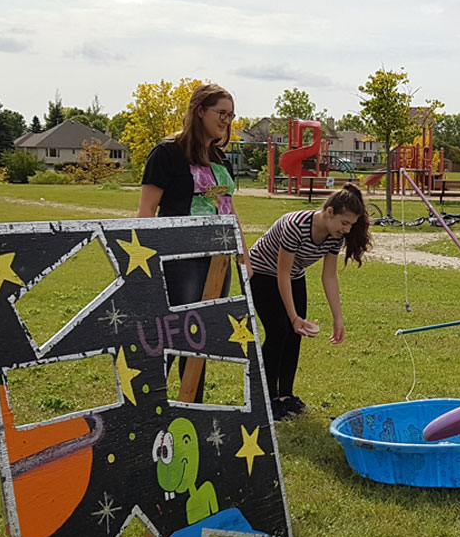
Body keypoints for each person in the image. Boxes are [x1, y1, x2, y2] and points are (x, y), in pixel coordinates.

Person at [137, 83, 245, 403]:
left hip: (217, 259)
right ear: (199, 111)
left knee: (201, 336)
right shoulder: (168, 152)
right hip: (179, 259)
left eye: (231, 115)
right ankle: (148, 405)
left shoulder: (219, 157)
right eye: (221, 113)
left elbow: (227, 207)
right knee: (174, 333)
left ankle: (191, 407)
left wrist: (242, 251)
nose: (226, 121)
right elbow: (146, 210)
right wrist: (145, 261)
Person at [247, 184, 371, 421]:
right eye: (344, 223)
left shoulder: (335, 236)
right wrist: (293, 317)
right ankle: (267, 399)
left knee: (296, 335)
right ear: (329, 212)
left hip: (293, 274)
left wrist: (338, 317)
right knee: (278, 331)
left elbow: (329, 276)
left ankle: (286, 396)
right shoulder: (296, 226)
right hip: (262, 272)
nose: (347, 230)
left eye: (351, 225)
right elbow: (281, 273)